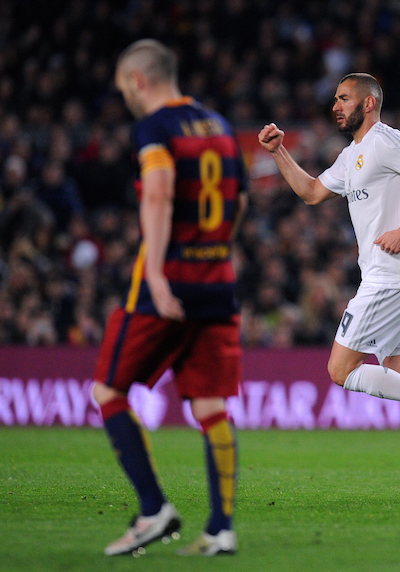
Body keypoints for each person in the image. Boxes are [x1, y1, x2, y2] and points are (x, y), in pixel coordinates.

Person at [258, 73, 400, 499]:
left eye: (344, 99)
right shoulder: (352, 155)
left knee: (341, 371)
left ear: (369, 103)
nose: (336, 106)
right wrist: (279, 152)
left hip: (391, 277)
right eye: (336, 99)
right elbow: (310, 192)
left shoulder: (384, 140)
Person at [91, 39, 248, 557]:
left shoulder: (155, 128)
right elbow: (240, 200)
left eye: (122, 87)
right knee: (210, 406)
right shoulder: (222, 128)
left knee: (108, 392)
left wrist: (156, 276)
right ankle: (221, 528)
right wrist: (216, 250)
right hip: (217, 281)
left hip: (168, 282)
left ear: (138, 80)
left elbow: (157, 194)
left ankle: (154, 508)